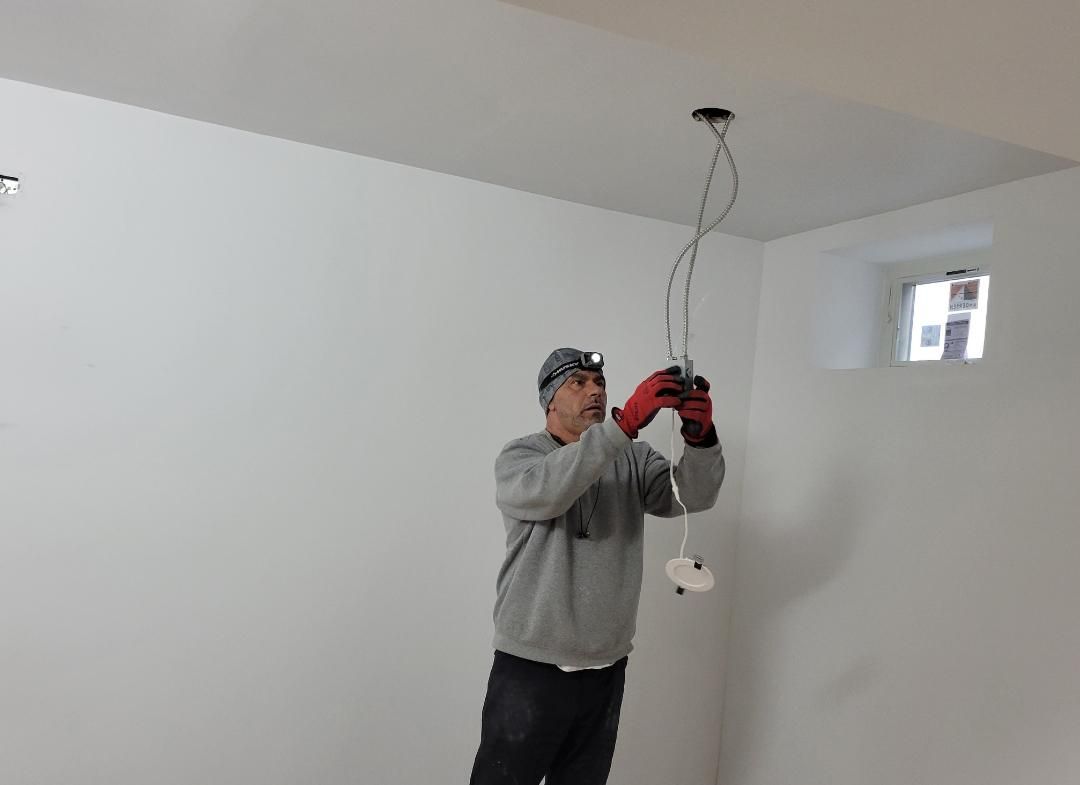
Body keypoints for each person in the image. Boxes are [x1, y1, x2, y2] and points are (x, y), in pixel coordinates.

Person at [469, 348, 726, 785]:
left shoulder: (633, 457)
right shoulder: (520, 457)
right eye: (579, 383)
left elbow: (694, 496)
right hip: (530, 666)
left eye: (600, 383)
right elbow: (549, 492)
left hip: (605, 668)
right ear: (550, 401)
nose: (595, 391)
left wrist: (701, 440)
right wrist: (621, 427)